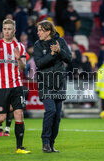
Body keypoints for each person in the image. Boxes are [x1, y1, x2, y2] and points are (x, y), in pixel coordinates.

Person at [0, 19, 30, 154]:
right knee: (1, 118)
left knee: (19, 114)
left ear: (14, 30)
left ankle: (19, 147)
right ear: (2, 30)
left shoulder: (20, 47)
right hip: (1, 86)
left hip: (17, 85)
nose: (7, 31)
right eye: (5, 29)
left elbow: (23, 68)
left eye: (9, 29)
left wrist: (18, 59)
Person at [33, 20, 71, 153]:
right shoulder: (37, 45)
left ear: (48, 31)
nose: (37, 33)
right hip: (45, 83)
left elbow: (69, 59)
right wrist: (52, 54)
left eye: (40, 30)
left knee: (57, 116)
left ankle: (51, 144)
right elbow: (39, 63)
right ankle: (45, 142)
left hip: (59, 83)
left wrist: (60, 51)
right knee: (51, 111)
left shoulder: (60, 42)